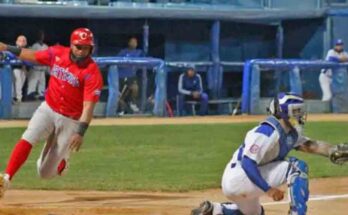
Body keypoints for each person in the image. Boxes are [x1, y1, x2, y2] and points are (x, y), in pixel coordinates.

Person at [191, 92, 348, 215]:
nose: (300, 115)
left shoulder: (289, 132)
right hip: (240, 177)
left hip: (239, 184)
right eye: (296, 111)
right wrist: (268, 190)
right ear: (283, 112)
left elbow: (311, 146)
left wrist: (333, 150)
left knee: (256, 213)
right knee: (296, 167)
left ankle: (214, 210)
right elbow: (247, 162)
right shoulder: (267, 131)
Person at [0, 28, 103, 198]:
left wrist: (80, 132)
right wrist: (6, 48)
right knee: (29, 136)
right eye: (79, 46)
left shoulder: (92, 72)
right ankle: (6, 178)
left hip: (70, 120)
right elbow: (32, 55)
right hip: (48, 108)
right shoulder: (57, 54)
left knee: (44, 173)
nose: (82, 50)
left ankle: (63, 161)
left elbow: (88, 107)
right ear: (71, 45)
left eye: (86, 47)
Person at [117, 37, 143, 115]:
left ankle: (133, 103)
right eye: (132, 42)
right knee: (120, 97)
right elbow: (116, 62)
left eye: (135, 42)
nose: (134, 43)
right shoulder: (123, 52)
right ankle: (122, 110)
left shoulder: (139, 52)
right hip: (121, 77)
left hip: (131, 76)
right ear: (129, 43)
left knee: (135, 87)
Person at [27, 30, 49, 101]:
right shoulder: (34, 46)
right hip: (35, 69)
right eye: (40, 35)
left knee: (42, 85)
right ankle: (30, 96)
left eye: (42, 35)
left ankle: (41, 96)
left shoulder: (46, 46)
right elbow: (32, 56)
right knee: (32, 84)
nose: (41, 36)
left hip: (42, 69)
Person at [12, 35, 28, 103]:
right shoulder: (13, 49)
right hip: (16, 68)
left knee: (21, 83)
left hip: (23, 69)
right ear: (16, 42)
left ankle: (17, 97)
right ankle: (18, 98)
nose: (22, 42)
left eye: (23, 41)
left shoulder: (26, 50)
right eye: (20, 40)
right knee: (18, 81)